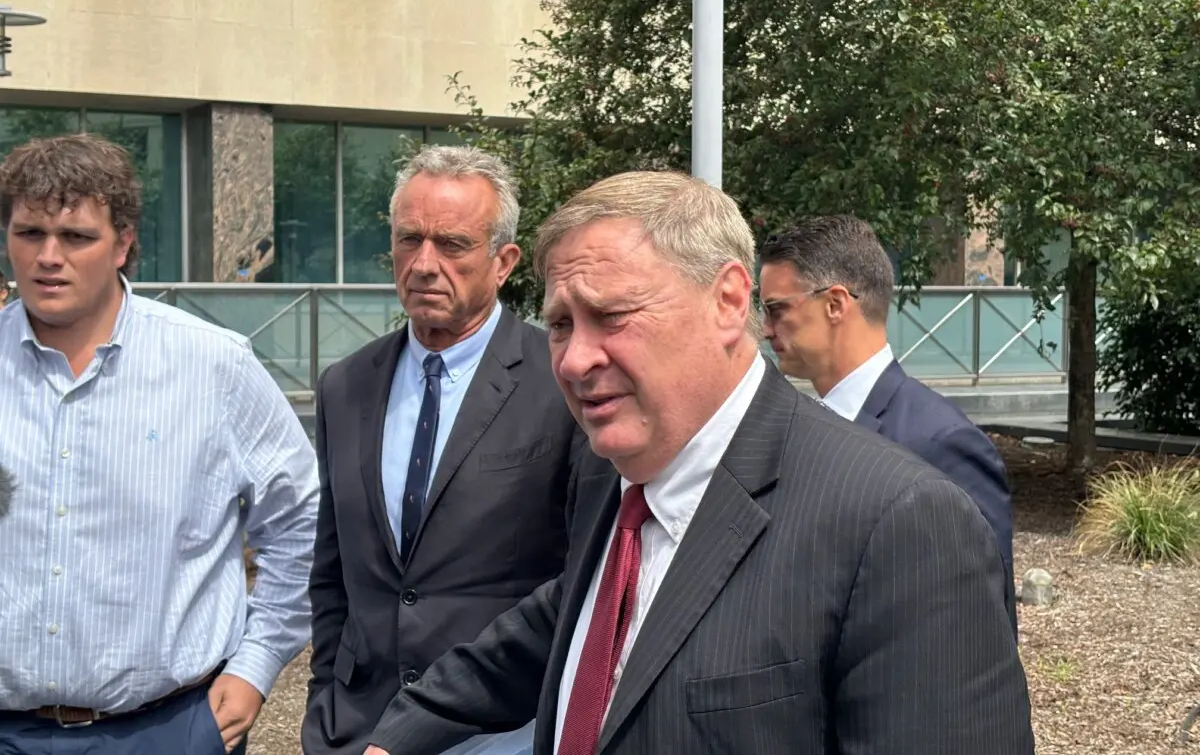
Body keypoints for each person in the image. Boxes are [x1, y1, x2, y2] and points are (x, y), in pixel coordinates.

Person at [363, 171, 1034, 755]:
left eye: (612, 315)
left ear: (728, 301)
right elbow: (560, 622)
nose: (572, 360)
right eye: (562, 323)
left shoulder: (902, 523)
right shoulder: (617, 474)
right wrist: (404, 731)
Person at [0, 134, 318, 754]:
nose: (48, 257)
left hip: (166, 728)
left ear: (122, 243)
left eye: (76, 237)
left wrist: (257, 664)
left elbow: (302, 521)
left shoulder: (212, 365)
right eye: (29, 233)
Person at [303, 146, 587, 755]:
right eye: (410, 240)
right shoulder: (346, 384)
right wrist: (325, 704)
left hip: (500, 732)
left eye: (453, 245)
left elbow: (580, 576)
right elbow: (334, 574)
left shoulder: (564, 381)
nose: (425, 264)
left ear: (504, 261)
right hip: (358, 729)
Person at [758, 215, 1014, 598]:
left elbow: (981, 624)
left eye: (776, 309)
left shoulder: (941, 442)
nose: (765, 328)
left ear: (835, 304)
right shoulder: (796, 429)